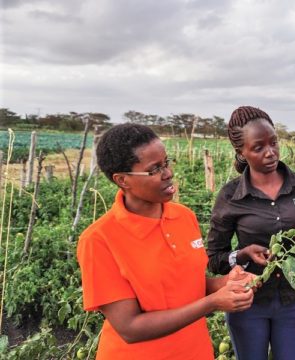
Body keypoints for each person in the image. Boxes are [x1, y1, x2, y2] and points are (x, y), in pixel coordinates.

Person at [77, 123, 255, 360]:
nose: (168, 173)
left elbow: (185, 286)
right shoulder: (99, 239)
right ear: (122, 180)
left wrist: (225, 283)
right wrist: (212, 303)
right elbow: (130, 327)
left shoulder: (183, 217)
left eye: (166, 163)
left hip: (195, 351)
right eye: (154, 170)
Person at [206, 106, 295, 360]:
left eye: (273, 143)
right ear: (241, 152)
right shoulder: (230, 196)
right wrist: (242, 254)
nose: (270, 152)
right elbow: (215, 258)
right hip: (249, 302)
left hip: (293, 300)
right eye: (258, 147)